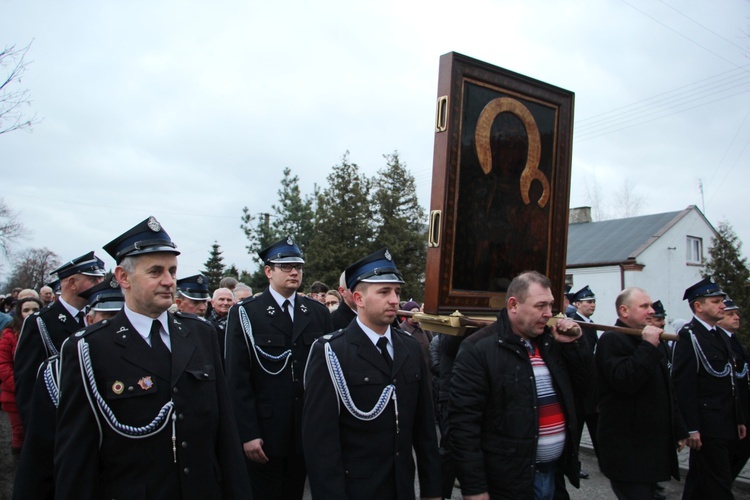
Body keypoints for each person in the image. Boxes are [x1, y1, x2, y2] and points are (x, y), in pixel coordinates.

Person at [53, 216, 250, 499]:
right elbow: (76, 455)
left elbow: (225, 433)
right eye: (156, 272)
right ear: (123, 277)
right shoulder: (90, 348)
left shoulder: (200, 333)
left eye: (172, 270)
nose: (169, 281)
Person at [302, 248, 441, 499]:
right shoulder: (332, 351)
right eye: (384, 292)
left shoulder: (409, 347)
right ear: (359, 298)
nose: (394, 300)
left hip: (402, 487)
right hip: (356, 489)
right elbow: (321, 444)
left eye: (397, 292)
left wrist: (432, 491)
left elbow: (425, 431)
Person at [449, 271, 591, 499]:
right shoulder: (478, 349)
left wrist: (573, 347)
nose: (548, 314)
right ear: (513, 305)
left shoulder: (550, 343)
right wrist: (475, 488)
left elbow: (584, 391)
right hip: (509, 484)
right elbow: (463, 426)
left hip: (554, 477)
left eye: (551, 305)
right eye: (540, 306)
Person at [225, 236, 333, 500]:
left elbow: (329, 374)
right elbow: (237, 379)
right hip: (266, 433)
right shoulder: (246, 313)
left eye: (298, 266)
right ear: (268, 271)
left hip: (307, 430)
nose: (294, 272)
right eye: (286, 266)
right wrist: (248, 433)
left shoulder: (317, 313)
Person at [13, 278, 124, 500]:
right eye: (106, 317)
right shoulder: (57, 370)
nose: (114, 326)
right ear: (89, 319)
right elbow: (40, 449)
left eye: (120, 318)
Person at [595, 287, 688, 499]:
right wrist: (647, 346)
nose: (652, 311)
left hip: (652, 448)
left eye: (652, 305)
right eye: (644, 306)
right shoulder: (612, 340)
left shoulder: (653, 340)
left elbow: (666, 389)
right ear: (624, 311)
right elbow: (625, 381)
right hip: (628, 450)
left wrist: (679, 428)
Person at [671, 277, 745, 500]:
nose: (722, 305)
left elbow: (731, 382)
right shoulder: (690, 336)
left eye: (721, 300)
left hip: (726, 420)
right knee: (719, 483)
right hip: (708, 425)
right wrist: (691, 428)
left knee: (701, 480)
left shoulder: (718, 335)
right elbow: (683, 386)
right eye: (716, 301)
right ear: (698, 306)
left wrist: (739, 417)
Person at [14, 251, 106, 426]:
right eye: (93, 280)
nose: (100, 284)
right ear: (72, 283)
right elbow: (28, 385)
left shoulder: (97, 317)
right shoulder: (41, 322)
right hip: (57, 422)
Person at [0, 297, 42, 460]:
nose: (31, 313)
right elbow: (3, 365)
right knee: (19, 434)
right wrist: (20, 387)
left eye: (35, 310)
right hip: (15, 393)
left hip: (39, 393)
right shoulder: (9, 334)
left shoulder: (46, 331)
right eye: (26, 310)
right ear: (19, 313)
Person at [717, 298, 750, 481]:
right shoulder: (720, 341)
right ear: (719, 318)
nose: (736, 318)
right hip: (728, 412)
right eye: (730, 314)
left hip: (742, 409)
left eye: (736, 313)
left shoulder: (732, 339)